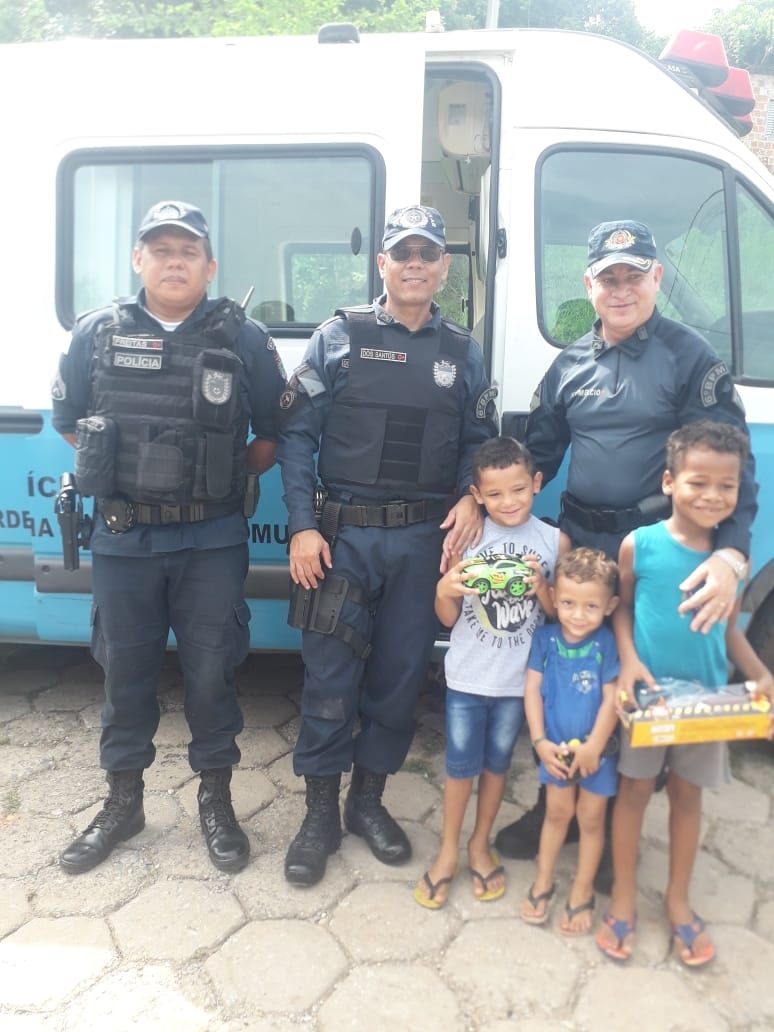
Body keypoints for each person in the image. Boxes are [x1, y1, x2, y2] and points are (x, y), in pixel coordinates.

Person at [495, 219, 759, 882]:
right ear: (588, 284)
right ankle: (555, 801)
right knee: (571, 674)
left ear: (655, 279)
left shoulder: (688, 357)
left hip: (647, 552)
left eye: (633, 276)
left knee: (630, 682)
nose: (620, 289)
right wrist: (480, 501)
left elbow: (734, 464)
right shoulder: (569, 365)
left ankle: (613, 824)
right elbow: (538, 456)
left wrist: (730, 555)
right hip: (581, 546)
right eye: (608, 278)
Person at [51, 200, 287, 875]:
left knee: (212, 674)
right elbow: (69, 419)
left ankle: (216, 801)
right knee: (124, 675)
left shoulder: (243, 339)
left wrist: (214, 480)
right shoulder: (96, 332)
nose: (174, 261)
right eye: (161, 249)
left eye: (188, 251)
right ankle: (123, 804)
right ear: (138, 259)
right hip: (123, 540)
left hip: (211, 540)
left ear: (210, 267)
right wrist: (122, 475)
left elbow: (272, 432)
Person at [277, 204, 499, 886]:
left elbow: (479, 442)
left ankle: (366, 804)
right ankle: (319, 814)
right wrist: (301, 526)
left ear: (444, 267)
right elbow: (297, 437)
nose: (414, 264)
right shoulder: (338, 336)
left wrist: (473, 496)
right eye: (402, 253)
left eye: (427, 254)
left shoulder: (462, 350)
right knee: (329, 680)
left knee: (399, 680)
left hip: (422, 541)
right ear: (382, 264)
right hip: (341, 540)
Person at [597, 420, 773, 965]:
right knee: (632, 793)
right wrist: (628, 660)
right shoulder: (640, 545)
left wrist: (759, 674)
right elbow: (622, 609)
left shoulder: (731, 562)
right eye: (699, 482)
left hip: (706, 704)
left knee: (687, 797)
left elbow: (727, 629)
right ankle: (623, 896)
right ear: (670, 481)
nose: (713, 496)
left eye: (727, 485)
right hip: (649, 702)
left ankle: (677, 900)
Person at [413, 437, 571, 910]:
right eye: (495, 494)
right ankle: (448, 851)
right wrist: (444, 588)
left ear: (537, 483)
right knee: (460, 767)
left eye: (518, 489)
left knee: (497, 765)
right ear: (477, 494)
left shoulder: (553, 541)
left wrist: (541, 586)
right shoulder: (469, 538)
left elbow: (559, 615)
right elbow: (446, 617)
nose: (509, 502)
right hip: (466, 677)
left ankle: (479, 844)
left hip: (519, 684)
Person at [520, 548, 620, 934]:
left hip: (598, 753)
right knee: (557, 814)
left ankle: (582, 890)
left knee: (592, 820)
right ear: (553, 598)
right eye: (567, 603)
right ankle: (543, 881)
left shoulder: (607, 643)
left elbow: (613, 698)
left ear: (610, 606)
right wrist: (539, 742)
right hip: (555, 751)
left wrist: (594, 746)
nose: (578, 615)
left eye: (590, 606)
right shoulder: (544, 640)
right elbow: (532, 690)